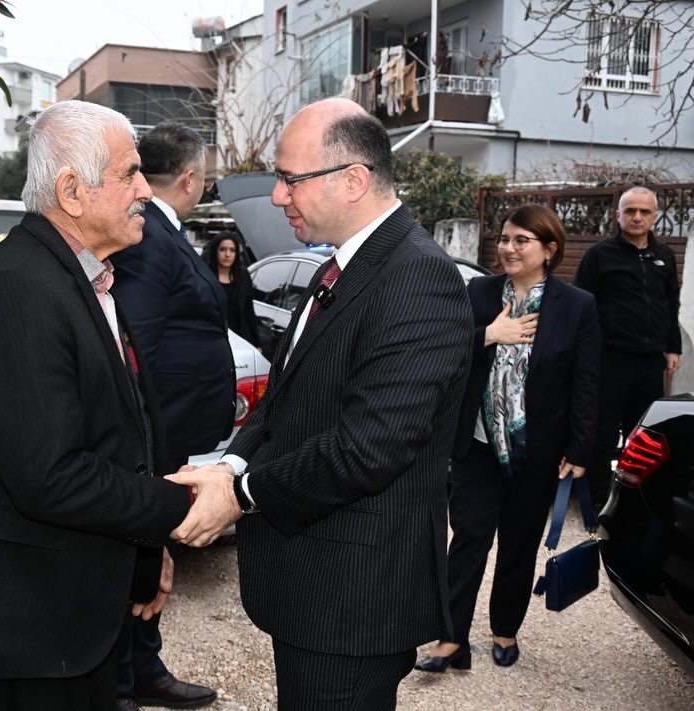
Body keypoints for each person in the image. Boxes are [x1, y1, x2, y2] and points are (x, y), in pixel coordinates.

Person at [167, 97, 474, 711]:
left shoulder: (418, 276)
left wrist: (241, 495)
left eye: (290, 178)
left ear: (353, 180)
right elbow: (284, 399)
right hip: (316, 589)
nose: (277, 196)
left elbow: (369, 448)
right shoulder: (339, 265)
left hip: (352, 602)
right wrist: (229, 465)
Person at [0, 100, 208, 711]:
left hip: (71, 623)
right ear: (72, 192)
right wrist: (184, 505)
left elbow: (119, 432)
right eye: (130, 173)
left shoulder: (84, 276)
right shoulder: (21, 289)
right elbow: (51, 476)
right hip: (23, 634)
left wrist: (148, 548)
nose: (145, 189)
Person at [415, 204, 601, 674]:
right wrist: (488, 334)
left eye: (521, 240)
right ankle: (451, 638)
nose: (508, 248)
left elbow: (586, 381)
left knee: (519, 543)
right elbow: (442, 349)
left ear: (549, 250)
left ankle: (505, 630)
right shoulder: (479, 292)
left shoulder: (576, 305)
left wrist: (580, 448)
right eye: (504, 239)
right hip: (478, 444)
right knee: (469, 539)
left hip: (537, 450)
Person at [109, 122, 233, 710]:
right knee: (138, 556)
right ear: (189, 178)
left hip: (175, 431)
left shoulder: (162, 231)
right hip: (155, 436)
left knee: (154, 553)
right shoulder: (148, 237)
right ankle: (119, 682)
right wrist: (147, 445)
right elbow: (137, 351)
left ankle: (144, 666)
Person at [574, 186, 681, 509]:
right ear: (617, 214)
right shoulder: (599, 255)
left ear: (655, 216)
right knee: (603, 434)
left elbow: (670, 304)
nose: (637, 217)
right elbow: (581, 306)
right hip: (609, 359)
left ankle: (635, 504)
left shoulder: (664, 256)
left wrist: (672, 348)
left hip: (650, 361)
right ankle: (596, 502)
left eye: (644, 212)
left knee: (645, 436)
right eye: (630, 210)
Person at [202, 232, 261, 346]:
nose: (227, 254)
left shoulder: (243, 276)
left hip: (239, 339)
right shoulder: (205, 276)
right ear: (215, 251)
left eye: (232, 250)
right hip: (211, 339)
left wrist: (257, 343)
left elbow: (248, 311)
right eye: (223, 249)